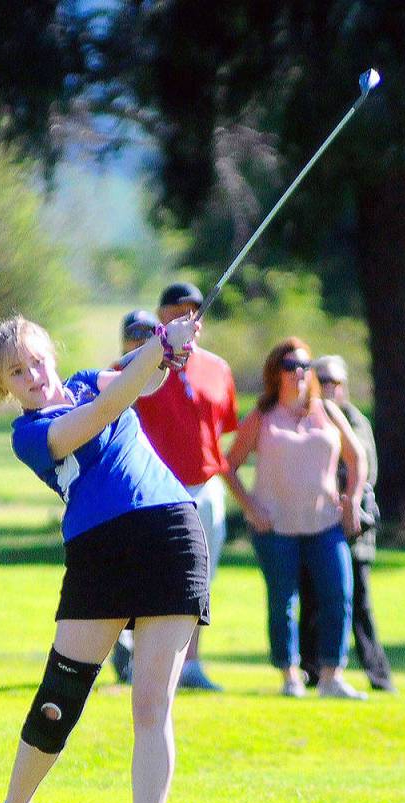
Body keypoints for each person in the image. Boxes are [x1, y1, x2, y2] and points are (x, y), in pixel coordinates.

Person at [0, 312, 206, 803]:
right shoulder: (29, 436)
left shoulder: (86, 378)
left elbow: (142, 382)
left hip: (171, 533)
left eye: (36, 360)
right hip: (100, 551)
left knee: (152, 706)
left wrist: (168, 350)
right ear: (3, 386)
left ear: (51, 354)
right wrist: (156, 348)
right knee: (61, 697)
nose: (32, 374)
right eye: (16, 371)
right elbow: (105, 411)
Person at [225, 337, 369, 699]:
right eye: (291, 367)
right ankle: (290, 675)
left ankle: (331, 676)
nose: (300, 373)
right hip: (275, 526)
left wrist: (351, 498)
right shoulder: (262, 416)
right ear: (276, 374)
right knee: (283, 601)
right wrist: (250, 506)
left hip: (324, 522)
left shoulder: (328, 411)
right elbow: (228, 466)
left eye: (305, 366)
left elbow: (357, 457)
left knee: (339, 594)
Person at [134, 282, 240, 692]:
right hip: (157, 488)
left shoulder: (217, 368)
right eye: (179, 310)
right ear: (161, 316)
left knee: (201, 579)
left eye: (195, 310)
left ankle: (191, 663)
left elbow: (221, 433)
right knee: (156, 577)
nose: (189, 317)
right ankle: (146, 662)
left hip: (207, 487)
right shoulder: (144, 363)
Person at [297, 355, 395, 692]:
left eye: (335, 382)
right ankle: (309, 669)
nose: (329, 388)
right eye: (322, 381)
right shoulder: (305, 418)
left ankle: (377, 673)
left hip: (353, 530)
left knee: (359, 602)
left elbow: (365, 472)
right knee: (311, 600)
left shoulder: (355, 421)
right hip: (315, 524)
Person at [108, 310, 162, 685]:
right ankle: (121, 646)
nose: (140, 339)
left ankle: (139, 652)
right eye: (134, 333)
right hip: (120, 494)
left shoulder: (157, 372)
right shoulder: (113, 374)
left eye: (148, 333)